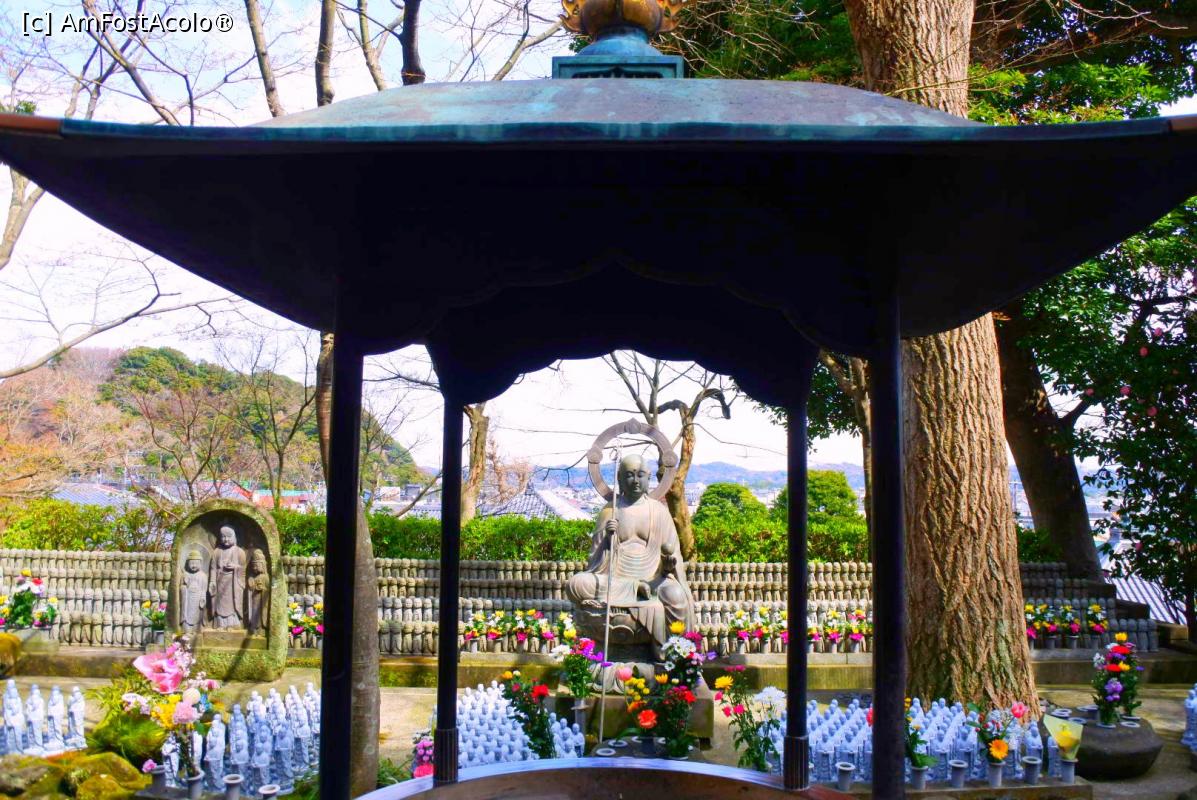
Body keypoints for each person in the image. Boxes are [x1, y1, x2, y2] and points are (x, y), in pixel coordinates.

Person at [565, 453, 695, 655]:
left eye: (640, 475)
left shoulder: (659, 512)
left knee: (676, 594)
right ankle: (636, 589)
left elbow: (672, 555)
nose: (635, 481)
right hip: (617, 581)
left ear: (649, 478)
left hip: (653, 581)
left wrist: (667, 566)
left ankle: (673, 655)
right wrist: (608, 541)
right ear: (619, 479)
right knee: (577, 584)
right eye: (629, 475)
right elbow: (595, 563)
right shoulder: (610, 511)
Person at [208, 525, 246, 628]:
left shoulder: (240, 552)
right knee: (219, 603)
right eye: (223, 537)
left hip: (233, 584)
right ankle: (220, 624)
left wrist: (236, 567)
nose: (226, 539)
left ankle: (232, 624)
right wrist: (212, 581)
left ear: (234, 537)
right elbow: (213, 568)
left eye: (229, 537)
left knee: (232, 604)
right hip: (220, 581)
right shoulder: (217, 552)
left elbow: (243, 569)